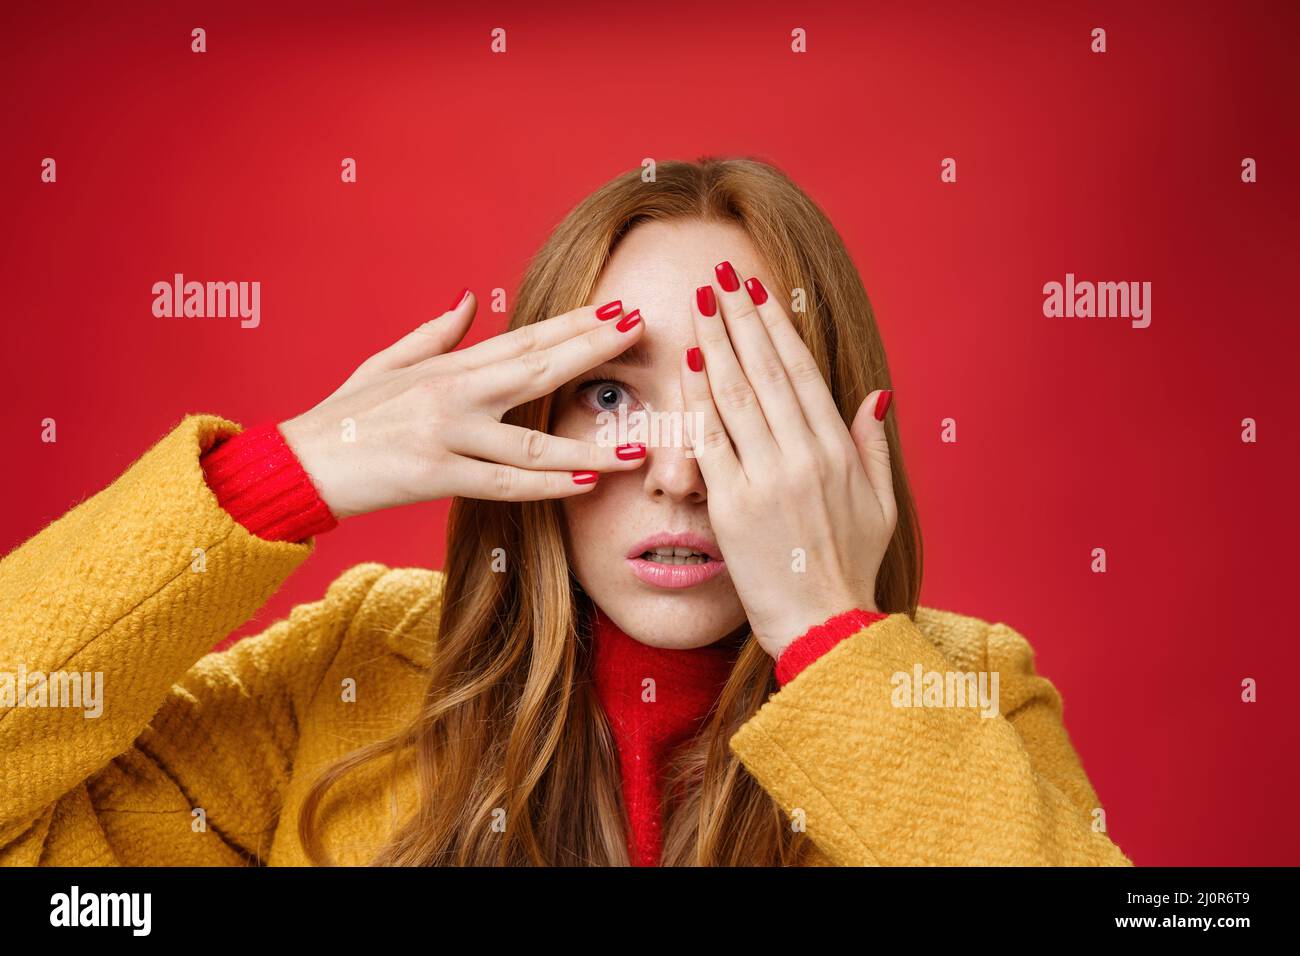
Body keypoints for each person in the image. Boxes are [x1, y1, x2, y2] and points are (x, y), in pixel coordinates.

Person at [0, 158, 1132, 866]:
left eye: (742, 401)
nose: (681, 476)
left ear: (835, 438)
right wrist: (287, 473)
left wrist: (834, 636)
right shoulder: (353, 678)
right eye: (609, 393)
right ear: (529, 407)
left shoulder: (961, 692)